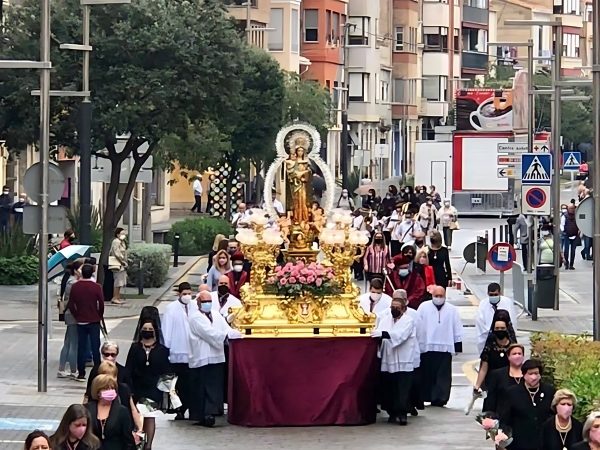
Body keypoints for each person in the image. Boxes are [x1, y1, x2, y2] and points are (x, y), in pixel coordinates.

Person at [188, 291, 243, 427]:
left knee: (214, 385)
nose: (207, 304)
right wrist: (224, 337)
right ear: (199, 303)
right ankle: (202, 414)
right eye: (204, 301)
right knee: (202, 386)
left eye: (209, 301)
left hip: (216, 356)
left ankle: (212, 411)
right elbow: (208, 332)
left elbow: (225, 328)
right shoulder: (195, 317)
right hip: (201, 356)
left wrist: (235, 334)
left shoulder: (217, 315)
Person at [371, 295, 418, 426]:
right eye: (392, 307)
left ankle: (402, 413)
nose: (394, 310)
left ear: (403, 309)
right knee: (389, 387)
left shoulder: (408, 321)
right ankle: (392, 412)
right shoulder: (385, 320)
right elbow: (379, 331)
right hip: (389, 357)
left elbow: (401, 335)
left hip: (403, 359)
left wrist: (385, 334)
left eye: (397, 307)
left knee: (402, 388)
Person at [126, 319, 170, 450]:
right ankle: (138, 442)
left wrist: (167, 390)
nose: (147, 332)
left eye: (150, 330)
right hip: (136, 386)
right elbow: (129, 367)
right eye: (145, 329)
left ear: (155, 331)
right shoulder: (135, 348)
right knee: (137, 416)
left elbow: (166, 370)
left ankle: (148, 445)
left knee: (150, 416)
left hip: (153, 387)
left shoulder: (162, 349)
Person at [417, 286, 463, 407]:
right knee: (427, 373)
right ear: (432, 295)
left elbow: (456, 326)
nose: (438, 298)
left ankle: (441, 397)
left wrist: (457, 343)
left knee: (443, 375)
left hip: (445, 346)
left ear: (445, 296)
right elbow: (418, 324)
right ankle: (427, 395)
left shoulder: (452, 309)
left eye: (441, 296)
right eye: (436, 296)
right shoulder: (423, 307)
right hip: (427, 346)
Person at [499, 359, 556, 450]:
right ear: (524, 374)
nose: (533, 377)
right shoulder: (512, 393)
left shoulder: (549, 391)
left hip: (544, 442)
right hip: (519, 442)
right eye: (530, 374)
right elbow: (504, 419)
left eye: (536, 373)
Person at [161, 282, 193, 421]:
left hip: (192, 352)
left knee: (190, 383)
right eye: (184, 294)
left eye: (189, 293)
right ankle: (178, 409)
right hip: (176, 350)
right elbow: (166, 328)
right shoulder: (171, 308)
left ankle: (189, 406)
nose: (187, 296)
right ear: (179, 294)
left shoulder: (194, 306)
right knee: (177, 384)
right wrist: (167, 347)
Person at [473, 310, 517, 405]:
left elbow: (517, 366)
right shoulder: (490, 345)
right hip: (492, 384)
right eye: (497, 328)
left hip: (508, 384)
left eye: (502, 328)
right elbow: (484, 367)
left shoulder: (513, 346)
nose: (500, 330)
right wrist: (477, 385)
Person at [69, 264, 104, 381]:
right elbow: (101, 304)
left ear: (82, 273)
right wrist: (99, 315)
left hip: (81, 321)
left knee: (81, 347)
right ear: (92, 273)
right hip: (94, 320)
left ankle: (81, 373)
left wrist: (77, 315)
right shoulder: (97, 287)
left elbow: (71, 304)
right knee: (95, 347)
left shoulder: (75, 287)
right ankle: (98, 372)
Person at [392, 289, 423, 415]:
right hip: (392, 355)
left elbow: (420, 333)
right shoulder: (387, 314)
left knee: (410, 383)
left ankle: (410, 405)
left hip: (410, 353)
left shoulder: (413, 315)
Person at [86, 374, 135, 450]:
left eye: (112, 388)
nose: (110, 391)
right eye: (106, 388)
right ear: (98, 391)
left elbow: (128, 440)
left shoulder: (122, 411)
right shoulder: (87, 409)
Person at [475, 282, 518, 354]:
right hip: (487, 335)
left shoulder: (507, 302)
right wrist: (490, 333)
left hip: (505, 335)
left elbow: (512, 320)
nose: (493, 296)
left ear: (500, 293)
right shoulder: (483, 303)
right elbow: (479, 321)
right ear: (487, 293)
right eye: (491, 295)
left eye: (495, 294)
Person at [58, 261, 83, 379]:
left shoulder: (72, 281)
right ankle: (74, 370)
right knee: (74, 343)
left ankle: (61, 369)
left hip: (70, 314)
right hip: (73, 315)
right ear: (76, 270)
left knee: (68, 342)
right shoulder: (73, 283)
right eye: (81, 268)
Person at [484, 343, 525, 414]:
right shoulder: (497, 374)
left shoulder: (528, 373)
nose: (517, 356)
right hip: (502, 416)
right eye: (514, 354)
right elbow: (491, 398)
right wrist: (488, 416)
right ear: (508, 356)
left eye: (519, 353)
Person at [109, 228, 128, 305]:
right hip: (118, 264)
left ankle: (118, 297)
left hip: (122, 264)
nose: (124, 235)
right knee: (118, 281)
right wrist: (122, 261)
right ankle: (115, 297)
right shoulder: (116, 242)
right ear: (117, 234)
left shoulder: (122, 242)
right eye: (122, 233)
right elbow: (116, 253)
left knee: (120, 282)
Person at [561, 204, 580, 270]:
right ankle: (567, 264)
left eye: (572, 208)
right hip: (567, 235)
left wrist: (579, 231)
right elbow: (562, 225)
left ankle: (571, 264)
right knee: (566, 250)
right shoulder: (564, 216)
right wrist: (564, 231)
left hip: (575, 235)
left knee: (573, 251)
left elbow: (579, 223)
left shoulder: (577, 215)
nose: (571, 210)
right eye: (570, 208)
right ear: (568, 209)